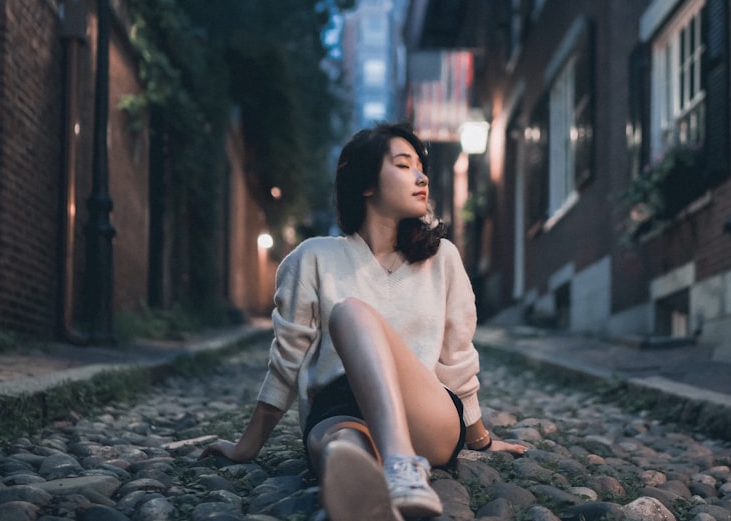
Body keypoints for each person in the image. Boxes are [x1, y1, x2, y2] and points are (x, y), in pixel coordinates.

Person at [202, 122, 527, 521]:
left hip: (425, 411)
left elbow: (457, 359)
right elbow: (286, 362)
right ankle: (364, 491)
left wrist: (480, 439)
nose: (421, 175)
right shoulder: (313, 257)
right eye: (404, 165)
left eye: (420, 167)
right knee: (340, 449)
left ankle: (400, 467)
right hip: (340, 409)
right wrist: (245, 447)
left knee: (351, 313)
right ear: (366, 184)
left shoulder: (442, 258)